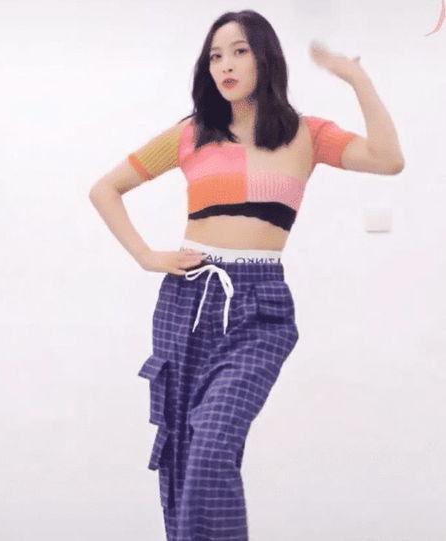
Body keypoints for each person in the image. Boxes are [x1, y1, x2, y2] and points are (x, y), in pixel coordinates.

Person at [89, 9, 404, 541]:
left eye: (239, 51)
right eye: (216, 56)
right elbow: (105, 189)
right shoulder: (191, 134)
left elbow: (388, 159)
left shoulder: (307, 134)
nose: (226, 65)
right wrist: (147, 256)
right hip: (189, 300)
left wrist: (357, 79)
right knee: (185, 454)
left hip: (260, 308)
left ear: (265, 58)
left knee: (212, 441)